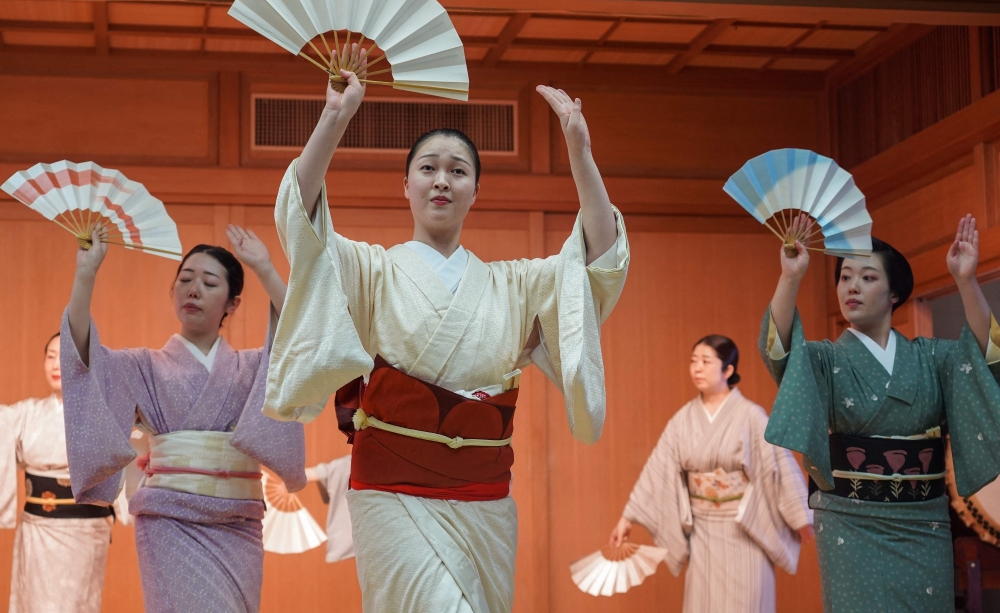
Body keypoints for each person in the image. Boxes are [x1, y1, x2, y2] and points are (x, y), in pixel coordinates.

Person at [266, 45, 629, 613]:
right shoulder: (372, 269)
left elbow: (597, 262)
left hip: (482, 497)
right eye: (428, 168)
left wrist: (580, 153)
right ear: (405, 185)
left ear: (475, 193)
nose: (442, 180)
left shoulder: (514, 283)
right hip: (391, 489)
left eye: (458, 171)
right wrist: (334, 117)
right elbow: (303, 227)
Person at [60, 224, 307, 613]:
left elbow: (301, 338)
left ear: (233, 303)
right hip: (168, 520)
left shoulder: (253, 367)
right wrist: (86, 274)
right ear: (172, 291)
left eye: (210, 283)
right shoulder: (141, 366)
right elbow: (82, 358)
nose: (193, 290)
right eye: (185, 279)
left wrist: (264, 268)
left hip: (238, 523)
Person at [761, 214, 1000, 612]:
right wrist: (790, 278)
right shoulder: (824, 359)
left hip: (923, 522)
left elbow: (987, 358)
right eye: (845, 277)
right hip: (848, 522)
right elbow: (779, 354)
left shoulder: (931, 358)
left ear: (894, 294)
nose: (852, 286)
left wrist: (965, 281)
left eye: (868, 278)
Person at [609, 335, 812, 612]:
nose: (697, 368)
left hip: (746, 532)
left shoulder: (751, 416)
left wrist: (801, 516)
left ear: (728, 370)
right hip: (703, 534)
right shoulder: (683, 420)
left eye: (706, 362)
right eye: (693, 362)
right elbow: (657, 470)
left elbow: (778, 466)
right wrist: (628, 517)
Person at [0, 334, 114, 613]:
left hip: (85, 531)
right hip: (37, 528)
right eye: (50, 356)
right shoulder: (25, 413)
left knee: (76, 603)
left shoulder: (104, 414)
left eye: (64, 357)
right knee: (35, 603)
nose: (56, 364)